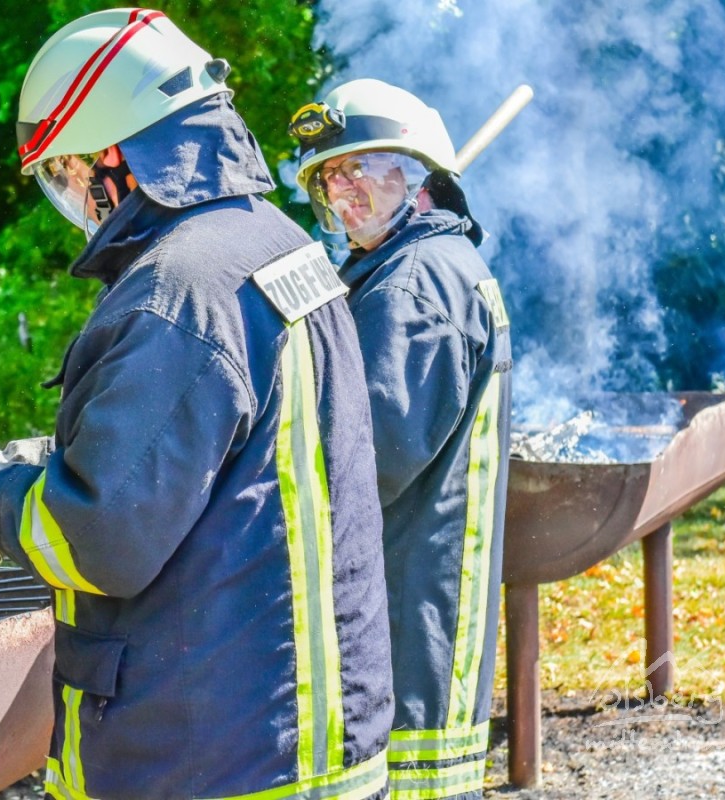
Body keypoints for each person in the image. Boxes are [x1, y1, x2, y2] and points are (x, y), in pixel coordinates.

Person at [0, 10, 394, 800]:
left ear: (114, 158)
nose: (72, 200)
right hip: (316, 737)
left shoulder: (177, 293)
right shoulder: (277, 245)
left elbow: (97, 540)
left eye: (65, 173)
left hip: (205, 758)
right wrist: (48, 459)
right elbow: (231, 460)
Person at [289, 79, 512, 800]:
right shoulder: (434, 268)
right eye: (327, 179)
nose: (341, 191)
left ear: (416, 173)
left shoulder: (409, 291)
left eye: (357, 168)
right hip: (429, 597)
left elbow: (360, 467)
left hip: (404, 614)